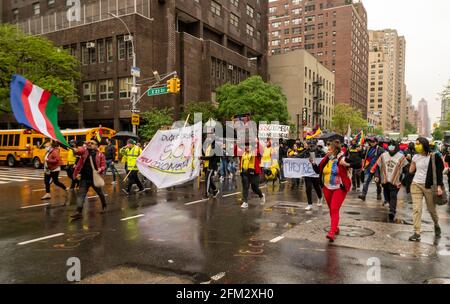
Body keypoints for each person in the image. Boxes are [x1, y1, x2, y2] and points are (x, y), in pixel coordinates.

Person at [311, 140, 359, 242]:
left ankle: (331, 232)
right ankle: (335, 227)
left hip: (339, 188)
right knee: (331, 209)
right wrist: (313, 163)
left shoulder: (342, 158)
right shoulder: (327, 158)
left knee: (334, 209)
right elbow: (317, 170)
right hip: (327, 187)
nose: (327, 151)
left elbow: (359, 164)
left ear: (335, 150)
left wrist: (346, 164)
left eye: (329, 149)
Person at [408, 137, 443, 242]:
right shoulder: (415, 157)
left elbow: (439, 172)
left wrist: (439, 186)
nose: (416, 145)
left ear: (424, 145)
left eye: (419, 144)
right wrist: (410, 160)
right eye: (416, 144)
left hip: (429, 186)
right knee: (417, 209)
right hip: (416, 184)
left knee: (432, 210)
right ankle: (417, 232)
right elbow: (411, 171)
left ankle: (436, 224)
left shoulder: (434, 156)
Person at [70, 138, 107, 220]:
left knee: (100, 193)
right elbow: (78, 151)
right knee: (81, 195)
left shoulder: (101, 155)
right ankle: (78, 212)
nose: (90, 144)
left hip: (94, 179)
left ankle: (104, 205)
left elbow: (104, 165)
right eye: (89, 143)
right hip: (84, 178)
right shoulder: (84, 151)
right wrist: (74, 149)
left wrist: (100, 169)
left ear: (97, 146)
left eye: (92, 143)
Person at [372, 140, 408, 222]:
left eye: (393, 146)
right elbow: (377, 166)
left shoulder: (401, 157)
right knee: (387, 194)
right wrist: (377, 175)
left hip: (396, 180)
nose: (391, 147)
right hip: (385, 179)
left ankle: (392, 211)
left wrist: (403, 180)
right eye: (390, 146)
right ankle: (389, 204)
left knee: (393, 195)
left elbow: (406, 169)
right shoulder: (383, 155)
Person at [239, 141, 266, 209]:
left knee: (255, 188)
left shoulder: (255, 152)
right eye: (246, 145)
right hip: (245, 173)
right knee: (245, 187)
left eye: (249, 145)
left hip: (254, 173)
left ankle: (261, 195)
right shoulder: (243, 153)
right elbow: (235, 150)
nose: (247, 147)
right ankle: (245, 202)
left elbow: (262, 150)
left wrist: (257, 142)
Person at [359, 137, 384, 201]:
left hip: (376, 169)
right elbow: (362, 156)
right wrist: (361, 150)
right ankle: (363, 195)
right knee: (366, 181)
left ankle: (379, 194)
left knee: (377, 182)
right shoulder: (368, 148)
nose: (371, 143)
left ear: (376, 142)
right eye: (370, 141)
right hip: (368, 167)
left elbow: (383, 158)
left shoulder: (380, 149)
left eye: (373, 141)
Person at [302, 141, 325, 211]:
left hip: (315, 172)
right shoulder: (306, 151)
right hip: (307, 173)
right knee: (308, 188)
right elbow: (299, 156)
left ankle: (320, 197)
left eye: (312, 145)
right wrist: (291, 158)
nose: (311, 147)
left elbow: (326, 156)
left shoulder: (320, 151)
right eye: (309, 145)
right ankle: (309, 204)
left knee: (316, 187)